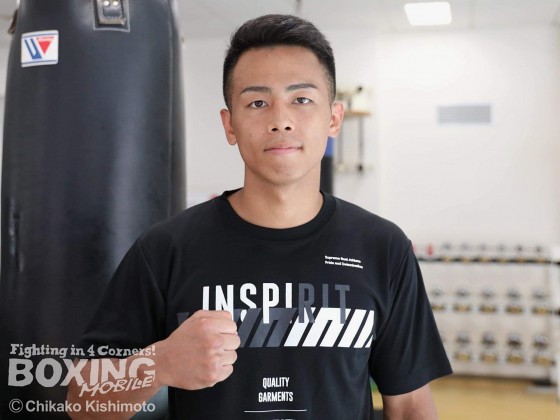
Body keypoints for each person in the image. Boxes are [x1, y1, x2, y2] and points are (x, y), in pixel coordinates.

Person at [67, 14, 451, 419]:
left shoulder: (382, 248)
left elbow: (410, 405)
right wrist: (159, 363)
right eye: (257, 103)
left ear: (334, 118)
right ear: (229, 124)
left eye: (301, 100)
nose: (280, 120)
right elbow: (82, 401)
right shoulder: (166, 249)